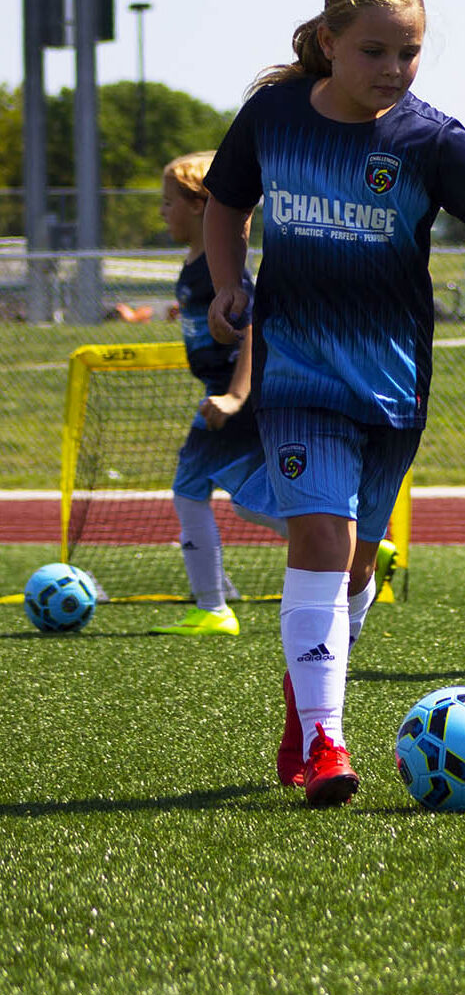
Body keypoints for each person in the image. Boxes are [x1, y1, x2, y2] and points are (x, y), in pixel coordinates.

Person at [204, 0, 465, 807]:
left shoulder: (433, 139)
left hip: (391, 383)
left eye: (410, 52)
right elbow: (223, 202)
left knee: (356, 565)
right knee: (318, 538)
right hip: (297, 374)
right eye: (374, 51)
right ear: (328, 43)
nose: (393, 69)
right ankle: (326, 740)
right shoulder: (274, 115)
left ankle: (302, 703)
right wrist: (226, 281)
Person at [149, 151, 271, 637]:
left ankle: (212, 607)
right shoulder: (194, 266)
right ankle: (354, 545)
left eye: (168, 202)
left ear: (200, 205)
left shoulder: (223, 269)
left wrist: (237, 396)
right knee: (247, 502)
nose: (162, 212)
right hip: (224, 393)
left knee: (188, 489)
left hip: (232, 396)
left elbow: (253, 329)